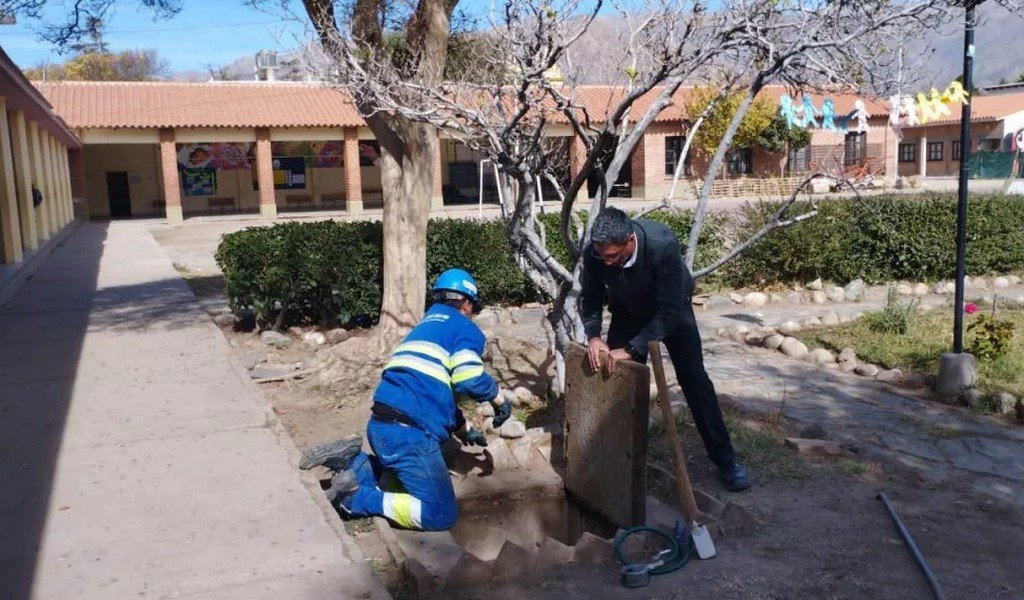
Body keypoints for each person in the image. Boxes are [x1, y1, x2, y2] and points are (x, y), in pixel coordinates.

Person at [299, 268, 512, 530]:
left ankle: (354, 463)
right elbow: (469, 379)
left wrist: (464, 429)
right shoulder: (464, 328)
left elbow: (429, 393)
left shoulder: (423, 329)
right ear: (467, 303)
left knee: (395, 474)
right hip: (410, 437)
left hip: (381, 426)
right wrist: (499, 399)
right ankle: (356, 500)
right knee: (439, 513)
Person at [580, 207, 750, 492]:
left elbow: (670, 311)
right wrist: (594, 335)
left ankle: (726, 461)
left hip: (671, 310)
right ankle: (620, 461)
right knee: (617, 380)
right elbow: (592, 295)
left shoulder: (662, 246)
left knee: (694, 381)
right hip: (628, 312)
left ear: (630, 241)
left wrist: (633, 347)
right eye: (602, 256)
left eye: (613, 256)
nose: (606, 262)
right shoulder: (596, 252)